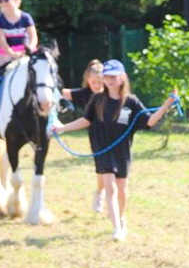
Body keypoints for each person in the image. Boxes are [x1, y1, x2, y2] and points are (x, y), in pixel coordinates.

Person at [53, 60, 177, 241]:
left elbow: (149, 121)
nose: (109, 80)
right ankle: (117, 228)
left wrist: (167, 104)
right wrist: (63, 128)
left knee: (122, 189)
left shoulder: (132, 101)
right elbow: (85, 121)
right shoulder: (97, 99)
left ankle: (121, 216)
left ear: (123, 78)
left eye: (113, 76)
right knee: (110, 188)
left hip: (122, 151)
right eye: (107, 77)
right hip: (103, 150)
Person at [61, 59, 106, 212]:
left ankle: (104, 193)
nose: (98, 85)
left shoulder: (111, 93)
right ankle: (100, 192)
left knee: (109, 170)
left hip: (113, 135)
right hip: (96, 136)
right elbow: (62, 93)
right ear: (88, 81)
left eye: (101, 82)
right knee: (101, 168)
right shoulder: (84, 94)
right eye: (94, 82)